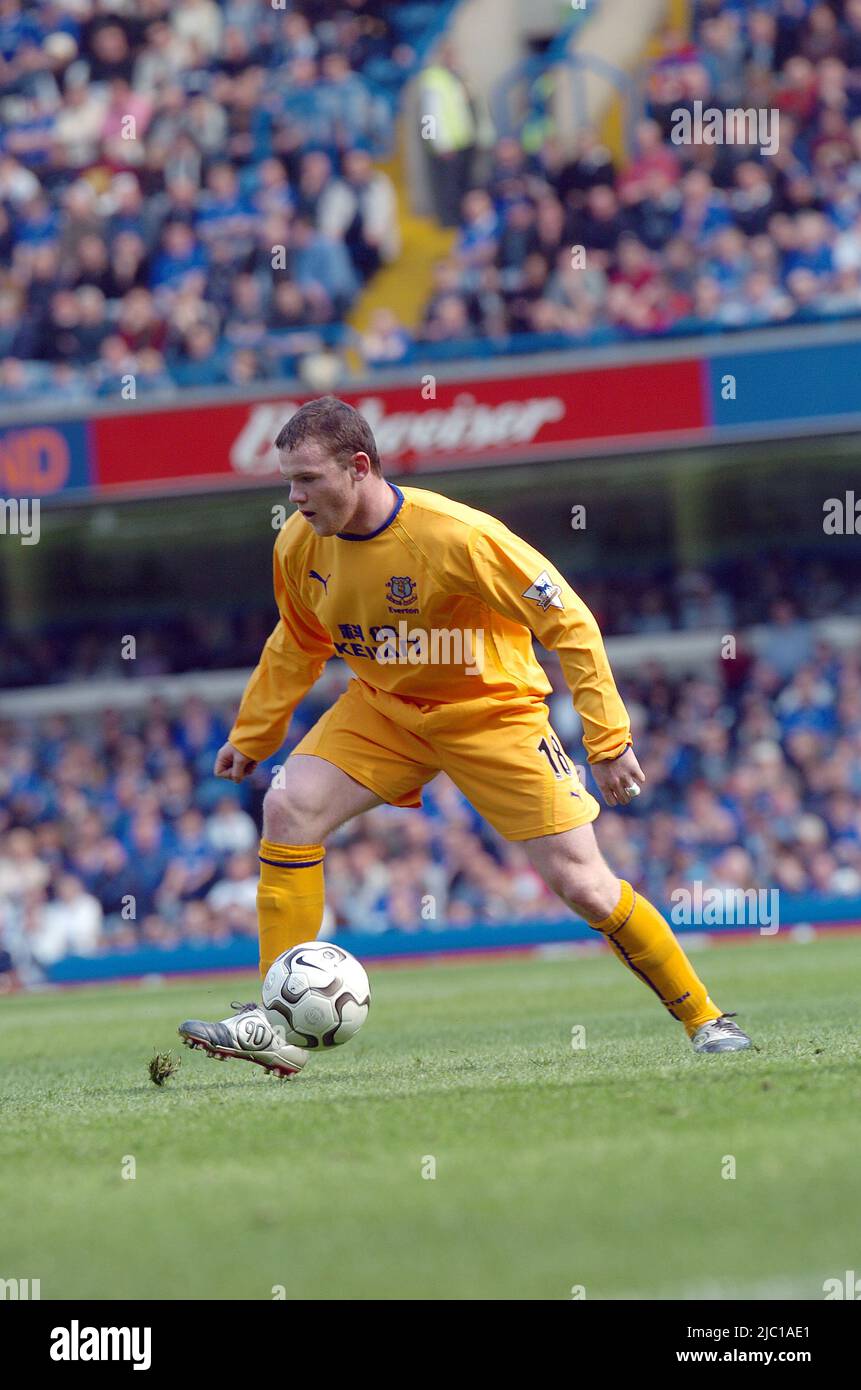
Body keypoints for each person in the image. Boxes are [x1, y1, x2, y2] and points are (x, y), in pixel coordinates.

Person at [178, 396, 751, 1075]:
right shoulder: (297, 546)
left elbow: (567, 621)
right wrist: (253, 733)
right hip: (384, 709)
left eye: (307, 479)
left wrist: (607, 741)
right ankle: (274, 1023)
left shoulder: (456, 536)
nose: (294, 498)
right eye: (288, 482)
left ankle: (705, 1018)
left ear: (358, 467)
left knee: (584, 885)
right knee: (288, 807)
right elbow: (297, 642)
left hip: (491, 714)